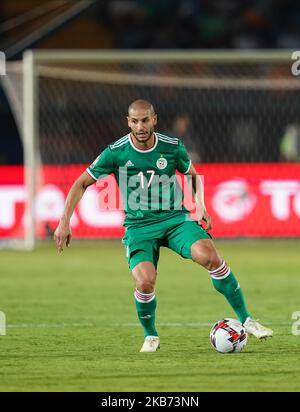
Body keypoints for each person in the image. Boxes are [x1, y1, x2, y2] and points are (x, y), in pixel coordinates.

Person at [54, 99, 273, 352]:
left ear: (154, 119)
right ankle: (151, 336)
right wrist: (64, 221)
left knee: (210, 256)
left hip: (175, 220)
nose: (140, 126)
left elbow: (192, 176)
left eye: (145, 120)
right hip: (139, 227)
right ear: (128, 122)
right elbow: (81, 182)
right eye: (134, 121)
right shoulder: (115, 152)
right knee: (145, 282)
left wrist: (199, 206)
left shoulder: (172, 147)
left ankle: (247, 319)